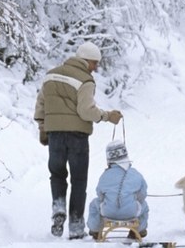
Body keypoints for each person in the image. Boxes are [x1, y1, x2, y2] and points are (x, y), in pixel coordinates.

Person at [35, 42, 123, 239]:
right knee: (78, 180)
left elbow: (40, 104)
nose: (95, 68)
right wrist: (107, 116)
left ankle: (58, 207)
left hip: (55, 134)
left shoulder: (50, 75)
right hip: (77, 136)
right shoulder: (85, 80)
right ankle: (75, 226)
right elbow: (85, 111)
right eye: (94, 63)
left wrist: (42, 127)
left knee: (57, 174)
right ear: (86, 60)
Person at [86, 140, 149, 240]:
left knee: (94, 204)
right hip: (131, 212)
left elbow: (100, 194)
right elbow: (142, 194)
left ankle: (95, 230)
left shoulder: (105, 175)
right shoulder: (135, 174)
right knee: (144, 206)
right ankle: (139, 230)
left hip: (108, 212)